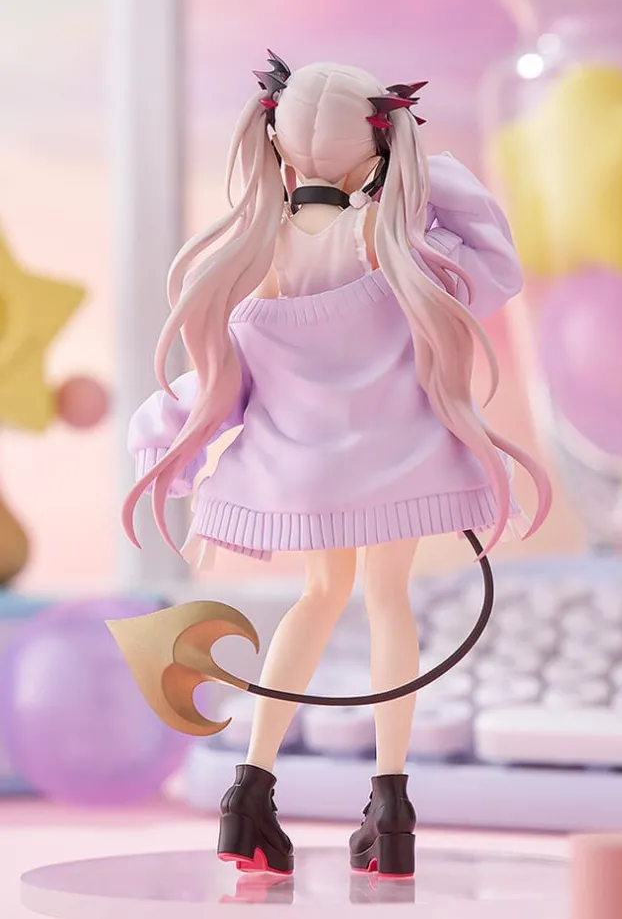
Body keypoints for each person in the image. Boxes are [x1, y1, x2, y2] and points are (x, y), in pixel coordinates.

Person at [123, 53, 551, 878]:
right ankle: (390, 806)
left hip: (305, 475)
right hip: (400, 465)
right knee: (389, 602)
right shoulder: (396, 243)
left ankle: (249, 791)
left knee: (319, 599)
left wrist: (168, 431)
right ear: (379, 146)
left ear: (279, 146)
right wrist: (422, 166)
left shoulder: (257, 256)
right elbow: (496, 266)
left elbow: (223, 377)